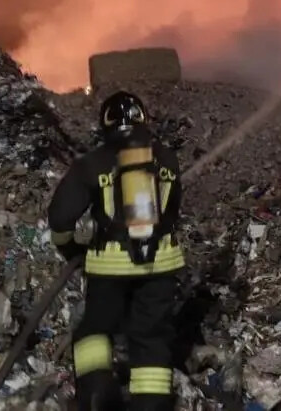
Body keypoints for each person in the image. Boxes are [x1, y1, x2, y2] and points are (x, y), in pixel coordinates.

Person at [47, 91, 184, 411]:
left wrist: (69, 247)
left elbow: (60, 217)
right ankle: (150, 406)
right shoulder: (167, 158)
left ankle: (97, 396)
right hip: (160, 263)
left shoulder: (93, 163)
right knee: (150, 338)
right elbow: (173, 212)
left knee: (94, 330)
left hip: (110, 265)